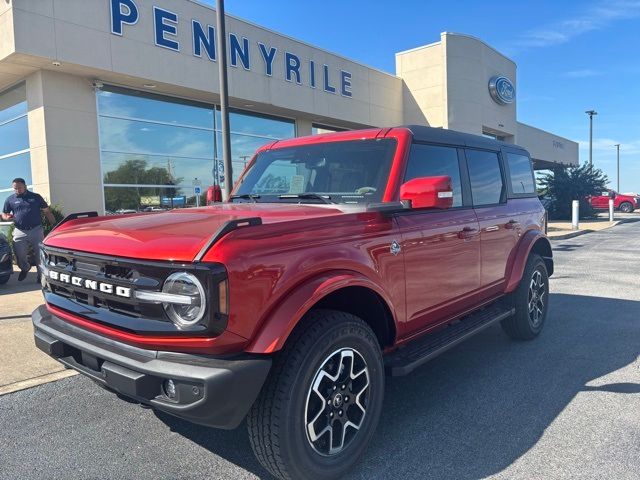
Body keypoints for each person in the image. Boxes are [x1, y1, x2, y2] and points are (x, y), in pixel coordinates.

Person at [1, 178, 56, 282]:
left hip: (36, 230)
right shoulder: (10, 199)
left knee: (40, 254)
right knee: (19, 254)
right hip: (19, 230)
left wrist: (53, 224)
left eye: (19, 188)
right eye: (15, 188)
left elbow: (47, 211)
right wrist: (6, 217)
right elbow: (4, 213)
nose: (17, 190)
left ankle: (41, 277)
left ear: (25, 186)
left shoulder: (36, 197)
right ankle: (25, 268)